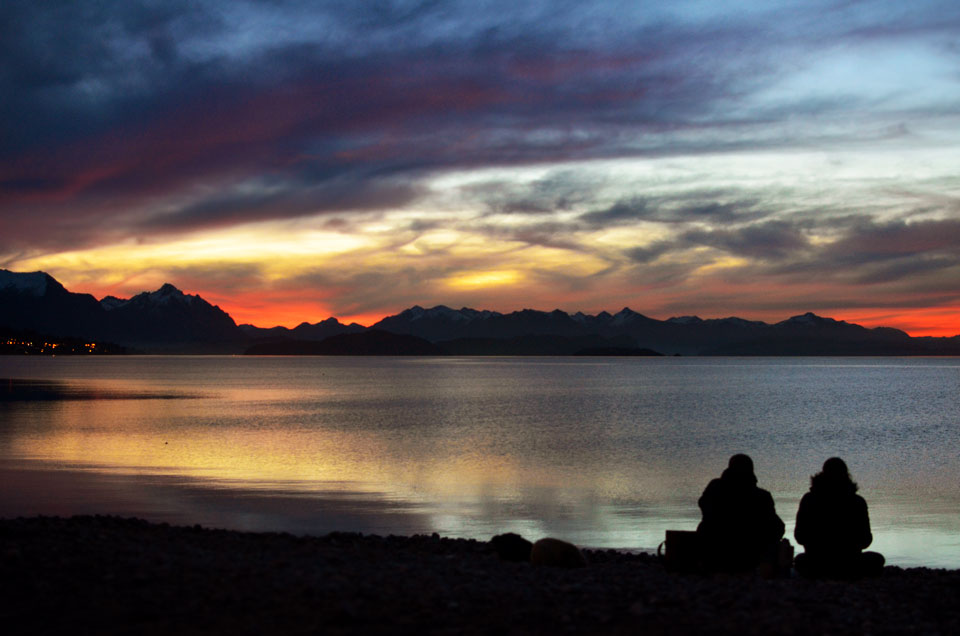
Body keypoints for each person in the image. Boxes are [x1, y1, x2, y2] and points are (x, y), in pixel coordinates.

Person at [794, 457, 884, 579]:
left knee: (800, 560)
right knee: (877, 559)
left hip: (817, 562)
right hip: (850, 562)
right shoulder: (858, 502)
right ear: (846, 475)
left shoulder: (809, 499)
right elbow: (865, 540)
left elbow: (800, 537)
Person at [697, 453, 785, 573]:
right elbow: (778, 528)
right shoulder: (762, 496)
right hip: (749, 557)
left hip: (715, 553)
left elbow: (703, 505)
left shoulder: (715, 487)